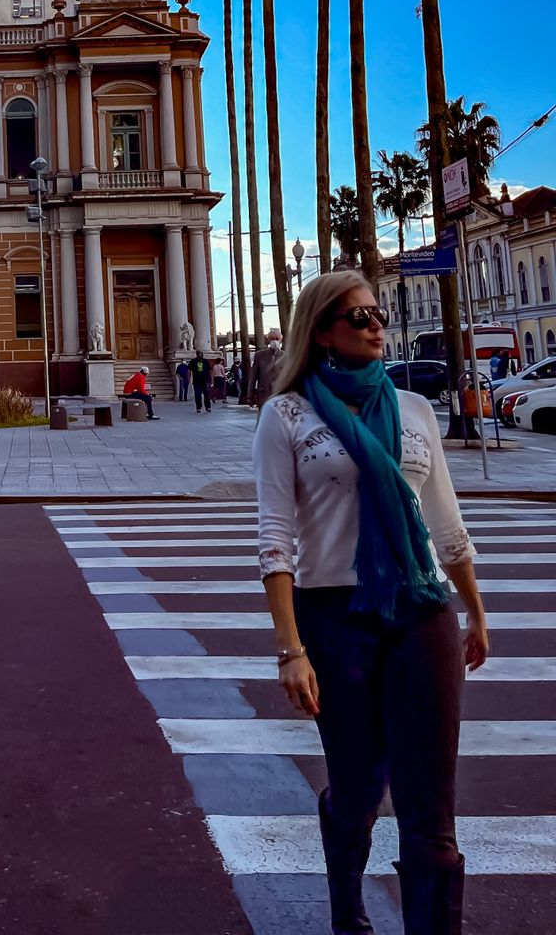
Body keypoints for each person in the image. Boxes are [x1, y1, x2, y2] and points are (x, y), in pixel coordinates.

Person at [254, 270, 488, 935]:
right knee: (357, 794)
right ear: (323, 331)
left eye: (376, 312)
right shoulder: (288, 414)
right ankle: (347, 910)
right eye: (356, 317)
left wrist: (472, 607)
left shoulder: (413, 411)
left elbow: (444, 520)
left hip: (421, 613)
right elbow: (274, 537)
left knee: (431, 817)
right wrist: (290, 647)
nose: (374, 324)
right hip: (336, 622)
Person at [247, 330, 282, 409]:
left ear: (280, 340)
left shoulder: (285, 356)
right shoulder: (259, 355)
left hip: (280, 395)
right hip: (263, 395)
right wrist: (250, 396)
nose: (275, 341)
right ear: (268, 340)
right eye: (272, 338)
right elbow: (253, 377)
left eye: (277, 339)